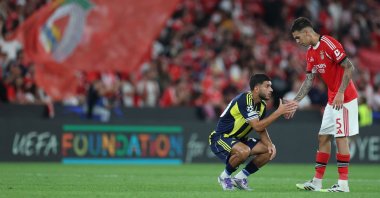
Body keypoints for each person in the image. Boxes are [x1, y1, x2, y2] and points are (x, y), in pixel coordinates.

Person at [289, 17, 359, 192]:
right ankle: (317, 182)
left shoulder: (328, 43)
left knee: (340, 137)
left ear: (307, 32)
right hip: (332, 98)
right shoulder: (310, 52)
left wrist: (341, 92)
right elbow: (309, 80)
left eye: (298, 37)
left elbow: (349, 67)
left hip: (344, 97)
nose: (297, 42)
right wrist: (295, 102)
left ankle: (343, 185)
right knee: (323, 137)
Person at [209, 74, 298, 191]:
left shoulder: (261, 105)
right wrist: (278, 112)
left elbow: (261, 128)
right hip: (221, 138)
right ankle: (224, 177)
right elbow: (256, 126)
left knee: (269, 150)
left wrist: (270, 144)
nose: (271, 90)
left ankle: (240, 178)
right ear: (256, 88)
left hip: (240, 139)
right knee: (244, 151)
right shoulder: (244, 99)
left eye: (270, 86)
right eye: (267, 86)